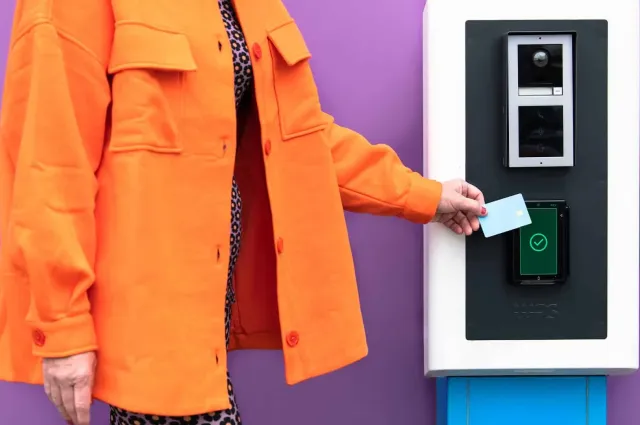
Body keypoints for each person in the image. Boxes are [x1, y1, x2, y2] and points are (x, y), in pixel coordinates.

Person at [0, 0, 487, 424]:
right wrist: (61, 328)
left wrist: (424, 196)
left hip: (211, 317)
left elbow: (302, 141)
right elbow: (50, 163)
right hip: (150, 321)